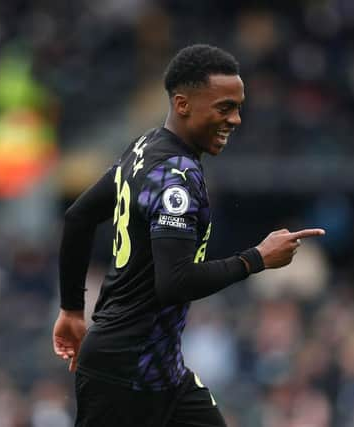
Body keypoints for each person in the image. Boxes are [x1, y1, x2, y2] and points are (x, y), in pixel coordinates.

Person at [52, 44, 324, 427]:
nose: (236, 119)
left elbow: (78, 217)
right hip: (125, 372)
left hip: (161, 369)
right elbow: (174, 282)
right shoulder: (176, 178)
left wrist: (70, 310)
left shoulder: (144, 148)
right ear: (182, 104)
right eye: (224, 107)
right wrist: (257, 258)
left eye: (238, 107)